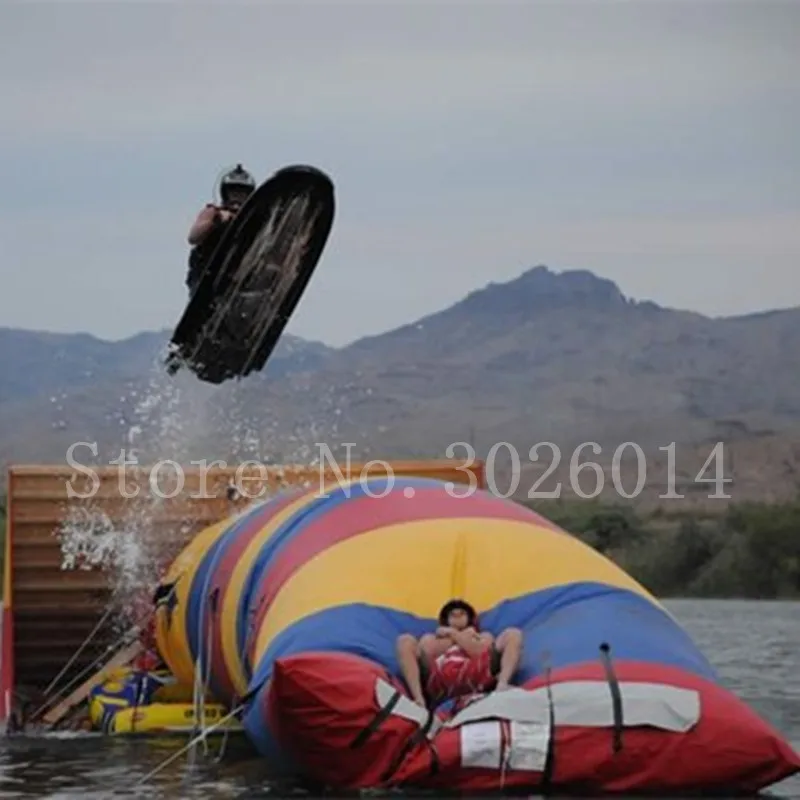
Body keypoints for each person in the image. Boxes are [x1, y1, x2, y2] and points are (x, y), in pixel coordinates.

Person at [395, 598, 522, 709]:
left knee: (513, 634)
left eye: (461, 613)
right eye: (453, 614)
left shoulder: (482, 635)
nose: (457, 616)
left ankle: (502, 686)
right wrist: (457, 636)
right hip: (439, 678)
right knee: (405, 641)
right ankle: (418, 699)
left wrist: (455, 634)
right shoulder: (433, 637)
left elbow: (480, 652)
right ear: (446, 619)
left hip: (478, 674)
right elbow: (428, 651)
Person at [185, 163, 258, 294]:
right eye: (234, 193)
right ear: (226, 194)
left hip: (239, 273)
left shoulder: (253, 220)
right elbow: (193, 238)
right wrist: (216, 221)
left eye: (242, 193)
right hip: (208, 273)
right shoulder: (213, 212)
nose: (237, 197)